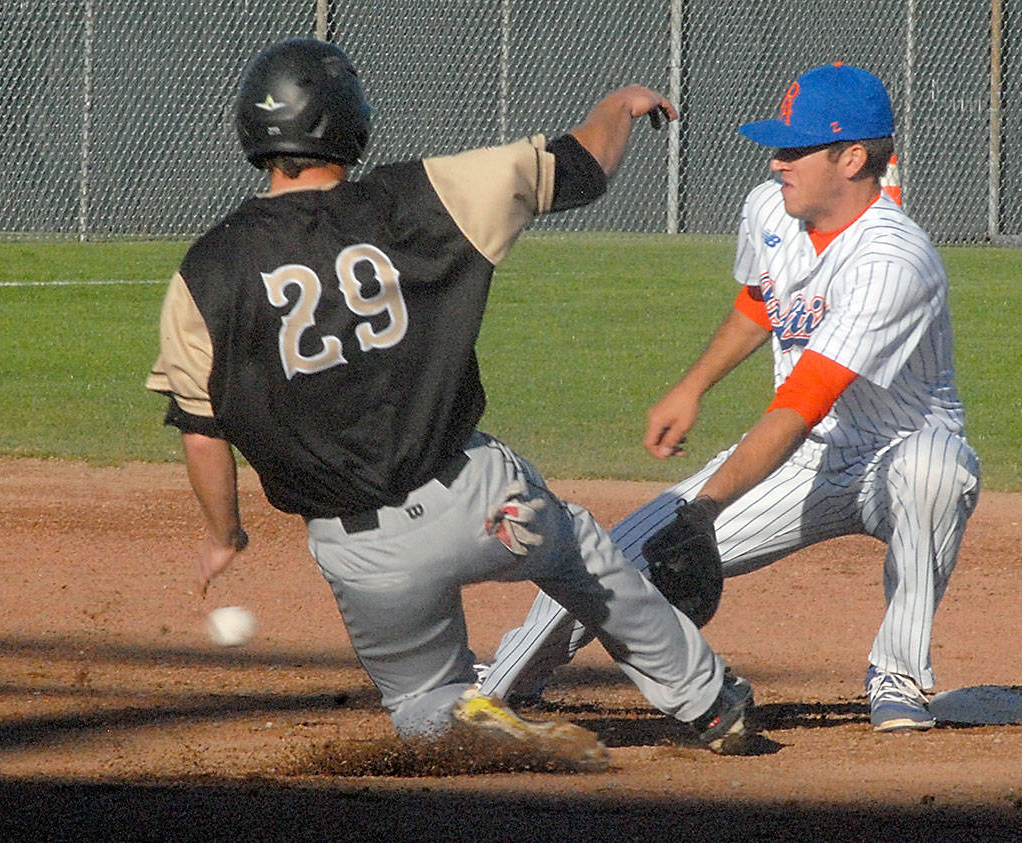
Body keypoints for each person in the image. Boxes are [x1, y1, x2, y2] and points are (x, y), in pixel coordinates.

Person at [145, 37, 755, 767]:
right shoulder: (422, 195)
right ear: (350, 122)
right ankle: (710, 701)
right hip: (481, 502)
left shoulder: (206, 269)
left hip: (365, 555)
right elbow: (579, 166)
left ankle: (488, 732)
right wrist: (619, 106)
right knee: (582, 556)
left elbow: (203, 432)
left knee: (423, 707)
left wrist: (225, 534)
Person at [477, 63, 981, 733]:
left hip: (897, 451)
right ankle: (509, 677)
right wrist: (693, 385)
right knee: (620, 552)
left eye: (795, 149)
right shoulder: (770, 209)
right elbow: (759, 302)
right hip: (809, 457)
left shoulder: (893, 260)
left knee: (934, 467)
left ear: (853, 157)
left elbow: (803, 402)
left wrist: (706, 509)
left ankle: (899, 674)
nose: (777, 162)